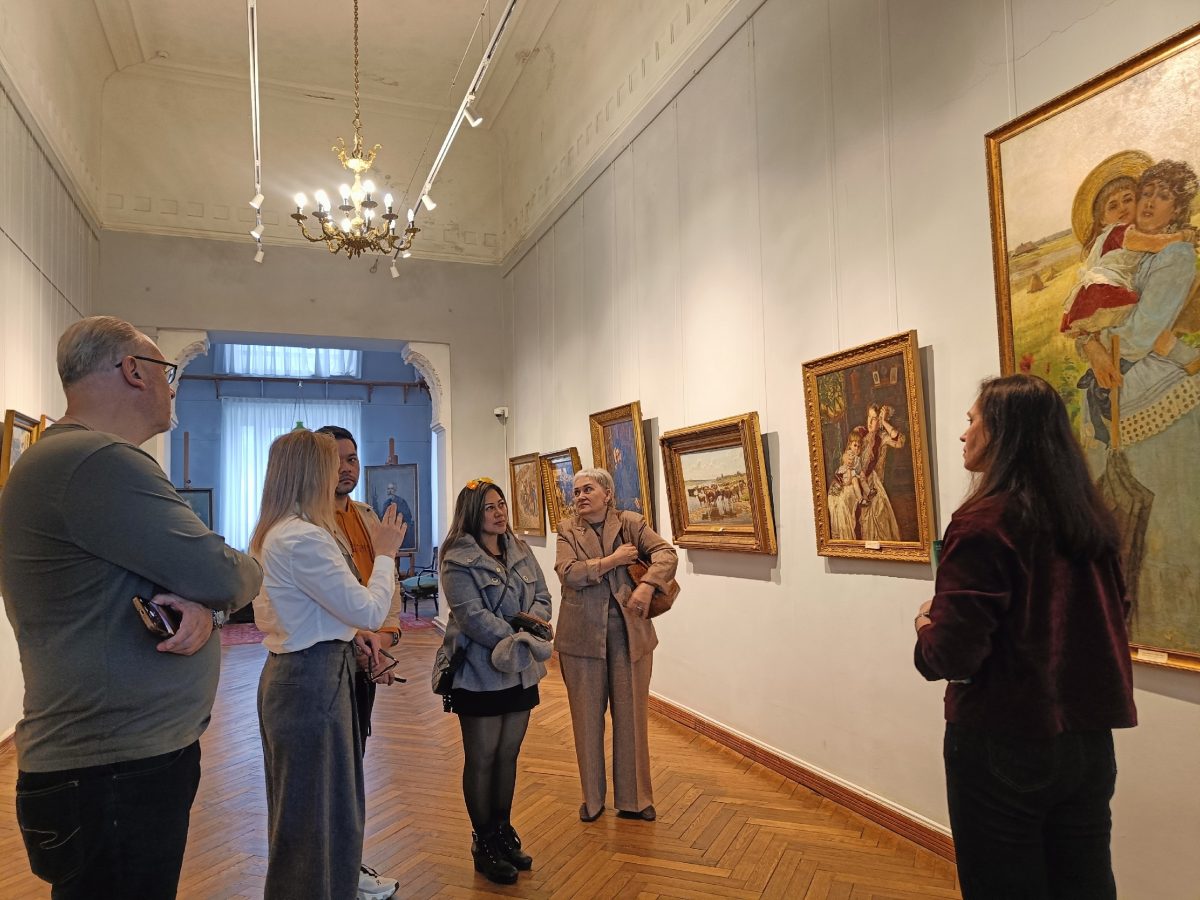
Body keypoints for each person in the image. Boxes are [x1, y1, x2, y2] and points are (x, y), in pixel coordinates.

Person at [0, 315, 263, 899]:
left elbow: (192, 586)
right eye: (168, 373)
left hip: (111, 764)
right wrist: (229, 584)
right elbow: (225, 572)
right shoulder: (97, 461)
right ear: (134, 371)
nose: (172, 387)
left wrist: (210, 611)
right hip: (111, 771)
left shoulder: (69, 459)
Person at [913, 374, 1137, 899]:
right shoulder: (1089, 519)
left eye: (971, 420)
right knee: (1084, 883)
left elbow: (952, 654)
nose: (963, 433)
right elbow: (1116, 614)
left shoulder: (983, 521)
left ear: (1001, 431)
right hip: (1087, 739)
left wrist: (925, 623)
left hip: (1002, 737)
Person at [251, 430, 407, 900]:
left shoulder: (285, 531)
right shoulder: (302, 537)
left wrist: (353, 634)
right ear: (309, 473)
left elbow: (313, 611)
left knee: (322, 805)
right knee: (311, 812)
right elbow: (368, 609)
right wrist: (385, 553)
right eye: (330, 464)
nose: (340, 471)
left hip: (309, 673)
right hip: (310, 681)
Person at [1075, 158, 1200, 650]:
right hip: (1117, 387)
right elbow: (1092, 321)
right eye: (1146, 192)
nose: (1147, 203)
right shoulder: (1129, 248)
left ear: (1178, 208)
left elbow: (1143, 332)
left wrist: (1095, 341)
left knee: (1166, 521)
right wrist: (1089, 344)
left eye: (1162, 197)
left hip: (1157, 397)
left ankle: (1168, 634)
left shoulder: (1176, 256)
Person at [436, 477, 552, 885]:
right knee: (482, 757)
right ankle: (483, 841)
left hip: (521, 670)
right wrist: (518, 637)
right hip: (479, 673)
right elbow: (472, 617)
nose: (500, 512)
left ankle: (503, 831)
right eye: (490, 507)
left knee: (508, 754)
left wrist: (529, 629)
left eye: (501, 504)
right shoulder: (457, 558)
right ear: (473, 513)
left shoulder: (519, 548)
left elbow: (542, 598)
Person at [554, 467, 678, 824]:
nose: (580, 496)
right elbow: (568, 572)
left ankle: (635, 800)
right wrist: (613, 561)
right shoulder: (567, 529)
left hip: (629, 635)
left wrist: (648, 585)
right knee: (586, 720)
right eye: (576, 491)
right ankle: (592, 801)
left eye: (588, 489)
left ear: (607, 494)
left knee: (632, 717)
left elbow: (666, 554)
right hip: (580, 637)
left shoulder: (630, 523)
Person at [315, 425, 402, 900]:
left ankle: (346, 863)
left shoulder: (367, 516)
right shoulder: (308, 523)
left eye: (352, 459)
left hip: (369, 651)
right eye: (336, 460)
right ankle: (331, 871)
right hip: (329, 658)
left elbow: (387, 583)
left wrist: (384, 640)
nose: (346, 468)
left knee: (354, 759)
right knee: (331, 771)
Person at [1060, 167, 1196, 338]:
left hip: (1096, 298)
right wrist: (1183, 236)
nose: (1122, 208)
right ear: (1102, 219)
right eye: (1113, 206)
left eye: (1128, 199)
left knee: (1101, 339)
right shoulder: (1121, 231)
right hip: (1106, 293)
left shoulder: (1113, 236)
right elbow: (1155, 244)